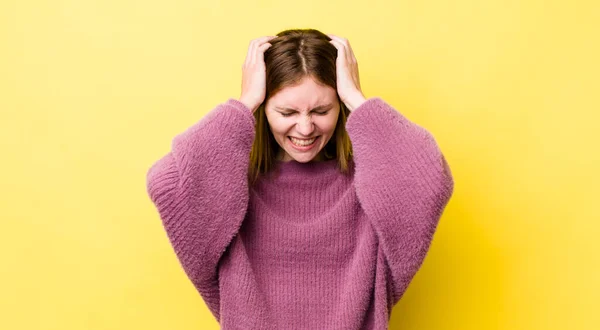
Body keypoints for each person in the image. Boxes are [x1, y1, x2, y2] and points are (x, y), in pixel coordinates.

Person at [146, 29, 454, 329]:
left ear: (340, 108)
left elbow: (432, 180)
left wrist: (357, 99)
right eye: (287, 112)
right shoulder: (231, 187)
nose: (305, 128)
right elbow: (166, 182)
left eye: (321, 110)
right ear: (264, 111)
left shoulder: (370, 185)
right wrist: (244, 103)